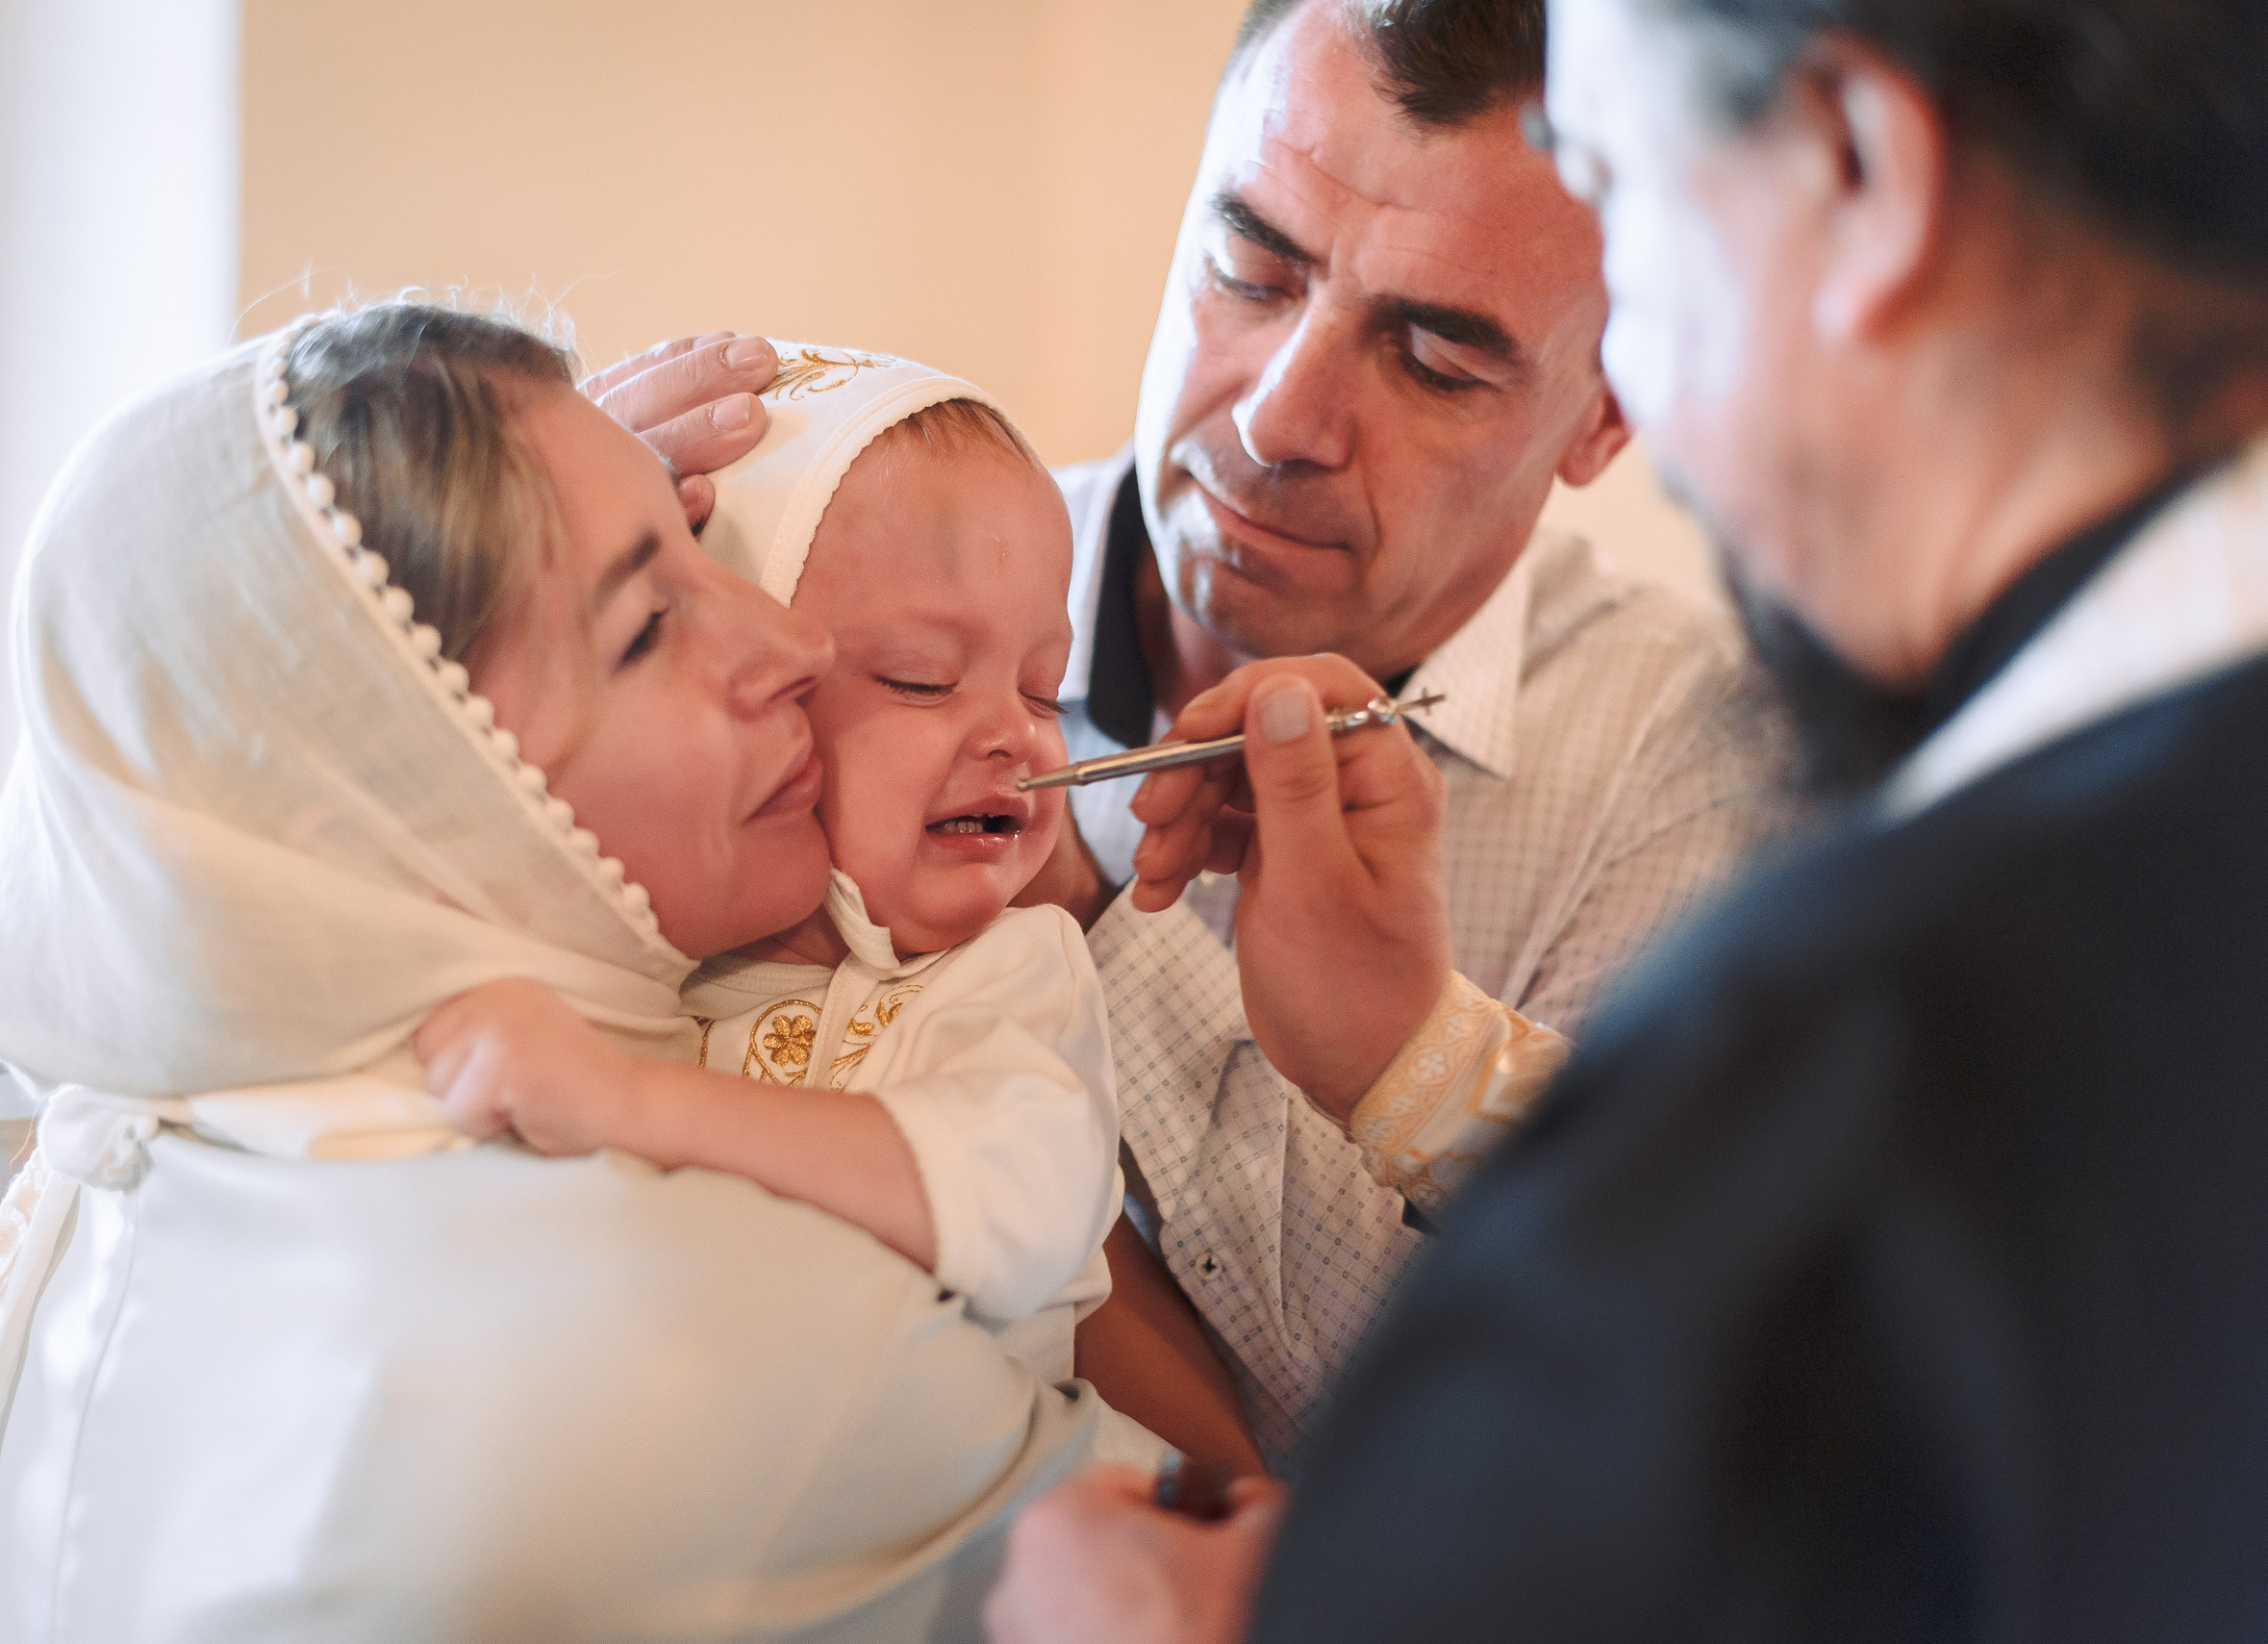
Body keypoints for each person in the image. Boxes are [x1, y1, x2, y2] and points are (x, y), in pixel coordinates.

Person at [984, 0, 2268, 1636]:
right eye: (1250, 265)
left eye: (1620, 186)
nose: (1282, 421)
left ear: (1862, 175)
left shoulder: (1870, 1007)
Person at [0, 302, 1126, 1644]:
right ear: (430, 779)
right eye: (646, 623)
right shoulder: (700, 1332)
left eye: (698, 545)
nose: (794, 650)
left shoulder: (149, 1163)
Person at [1024, 0, 1789, 1460]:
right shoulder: (825, 600)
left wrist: (1093, 915)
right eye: (1248, 267)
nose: (1280, 420)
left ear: (1606, 413)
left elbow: (1495, 1463)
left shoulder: (1695, 771)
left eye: (1434, 361)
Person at [414, 348, 1137, 1408]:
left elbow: (1020, 1203)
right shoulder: (641, 953)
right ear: (759, 680)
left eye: (1043, 686)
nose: (1017, 739)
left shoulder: (1011, 973)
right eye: (922, 678)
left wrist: (628, 1102)